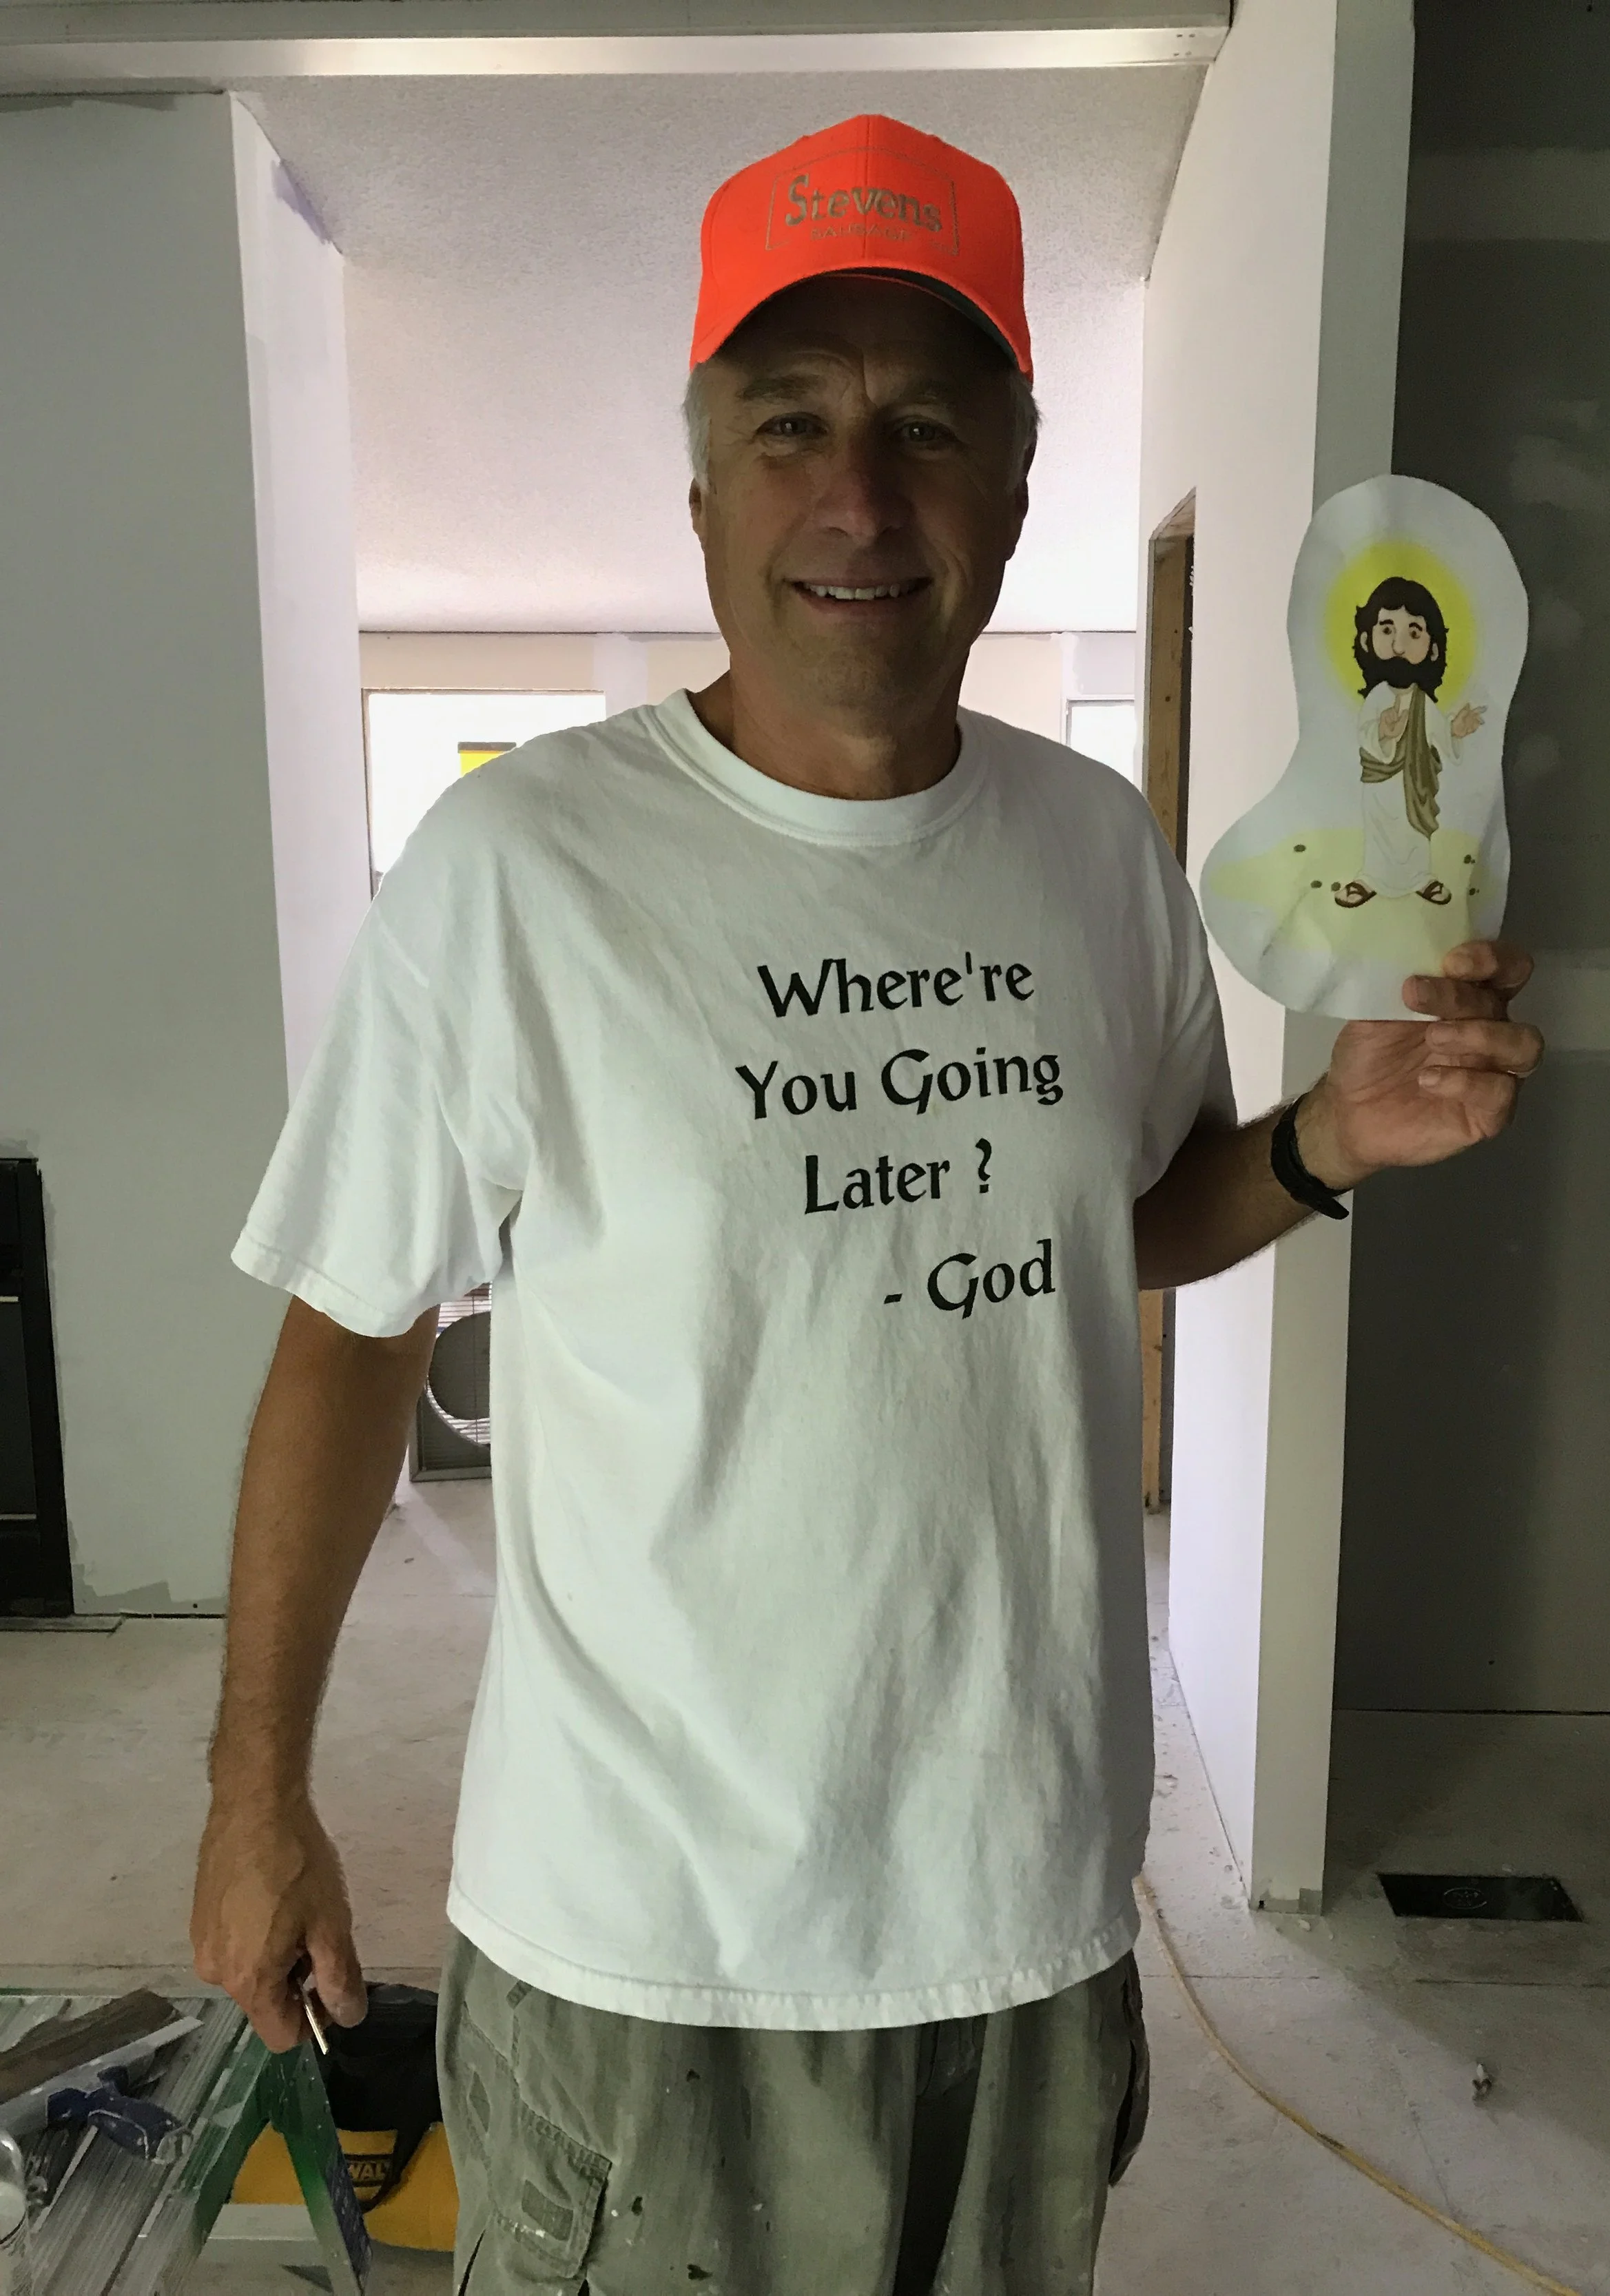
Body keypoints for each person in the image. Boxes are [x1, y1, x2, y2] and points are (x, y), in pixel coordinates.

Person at [192, 114, 1542, 2294]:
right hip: (651, 1956)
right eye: (787, 422)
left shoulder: (1093, 854)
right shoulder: (521, 871)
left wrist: (1319, 1141)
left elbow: (1102, 1229)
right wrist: (256, 1790)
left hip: (1021, 1920)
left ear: (1012, 478)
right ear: (699, 486)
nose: (856, 494)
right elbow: (349, 1333)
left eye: (924, 424)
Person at [1335, 575, 1486, 910]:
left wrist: (1456, 731)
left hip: (1414, 784)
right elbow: (1366, 735)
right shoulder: (1377, 697)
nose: (1399, 646)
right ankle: (1370, 878)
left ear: (1432, 648)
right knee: (1380, 832)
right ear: (1367, 640)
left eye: (1414, 633)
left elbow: (1440, 737)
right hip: (1380, 785)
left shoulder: (1423, 702)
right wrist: (1384, 732)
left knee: (1414, 834)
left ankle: (1420, 877)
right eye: (1387, 630)